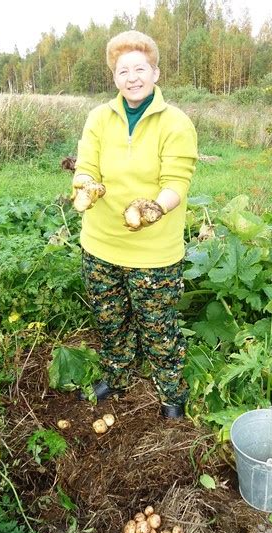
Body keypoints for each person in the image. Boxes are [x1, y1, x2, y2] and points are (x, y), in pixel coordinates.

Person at [71, 30, 198, 419]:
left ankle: (171, 394)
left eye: (140, 68)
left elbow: (176, 182)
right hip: (100, 243)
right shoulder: (98, 118)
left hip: (154, 250)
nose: (132, 77)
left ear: (155, 73)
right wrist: (84, 185)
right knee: (110, 322)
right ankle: (118, 374)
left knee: (158, 328)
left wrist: (153, 209)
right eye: (123, 70)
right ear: (114, 78)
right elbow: (87, 167)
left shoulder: (175, 123)